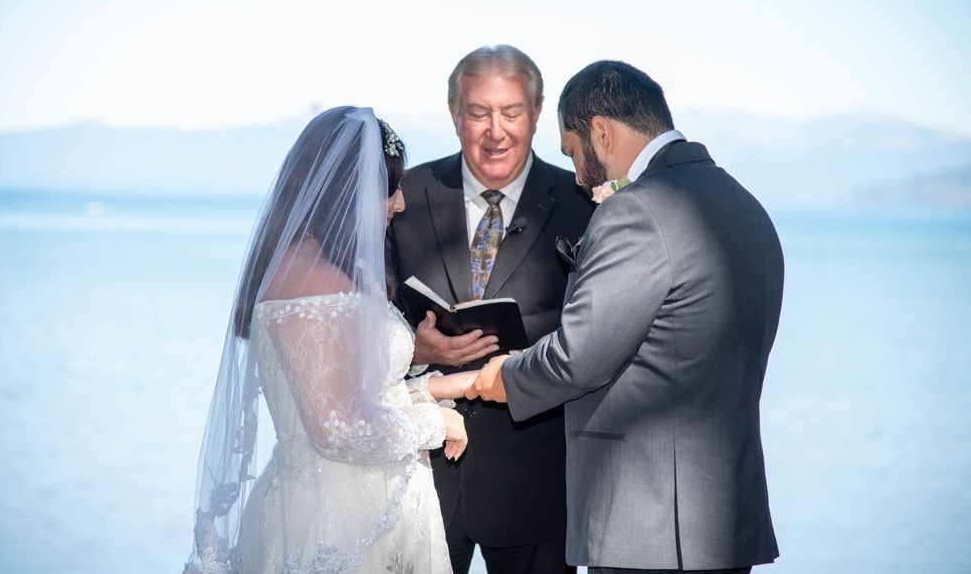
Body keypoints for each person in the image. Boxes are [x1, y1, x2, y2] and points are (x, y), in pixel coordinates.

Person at [469, 61, 784, 573]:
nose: (578, 175)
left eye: (573, 152)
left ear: (601, 131)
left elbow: (578, 357)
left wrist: (504, 375)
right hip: (723, 521)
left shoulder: (636, 209)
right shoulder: (744, 204)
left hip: (648, 525)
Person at [185, 106, 474, 574]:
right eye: (389, 188)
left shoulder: (315, 269)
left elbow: (352, 394)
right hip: (340, 524)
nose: (400, 203)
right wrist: (436, 422)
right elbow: (338, 431)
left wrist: (437, 387)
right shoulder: (313, 283)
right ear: (347, 193)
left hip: (358, 505)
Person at [388, 45, 595, 574]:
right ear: (455, 114)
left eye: (511, 112)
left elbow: (598, 331)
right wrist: (415, 349)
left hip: (539, 479)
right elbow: (365, 316)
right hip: (422, 478)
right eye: (479, 113)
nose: (495, 132)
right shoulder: (402, 197)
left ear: (536, 114)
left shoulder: (584, 203)